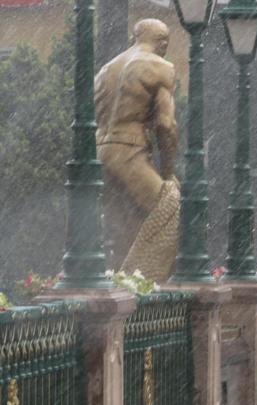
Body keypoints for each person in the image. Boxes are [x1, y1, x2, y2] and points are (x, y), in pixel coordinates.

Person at [94, 19, 179, 282]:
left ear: (135, 37)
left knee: (125, 229)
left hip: (99, 152)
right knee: (172, 208)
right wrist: (168, 173)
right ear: (163, 43)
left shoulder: (106, 70)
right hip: (129, 150)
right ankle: (145, 289)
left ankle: (121, 288)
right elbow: (166, 125)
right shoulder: (161, 67)